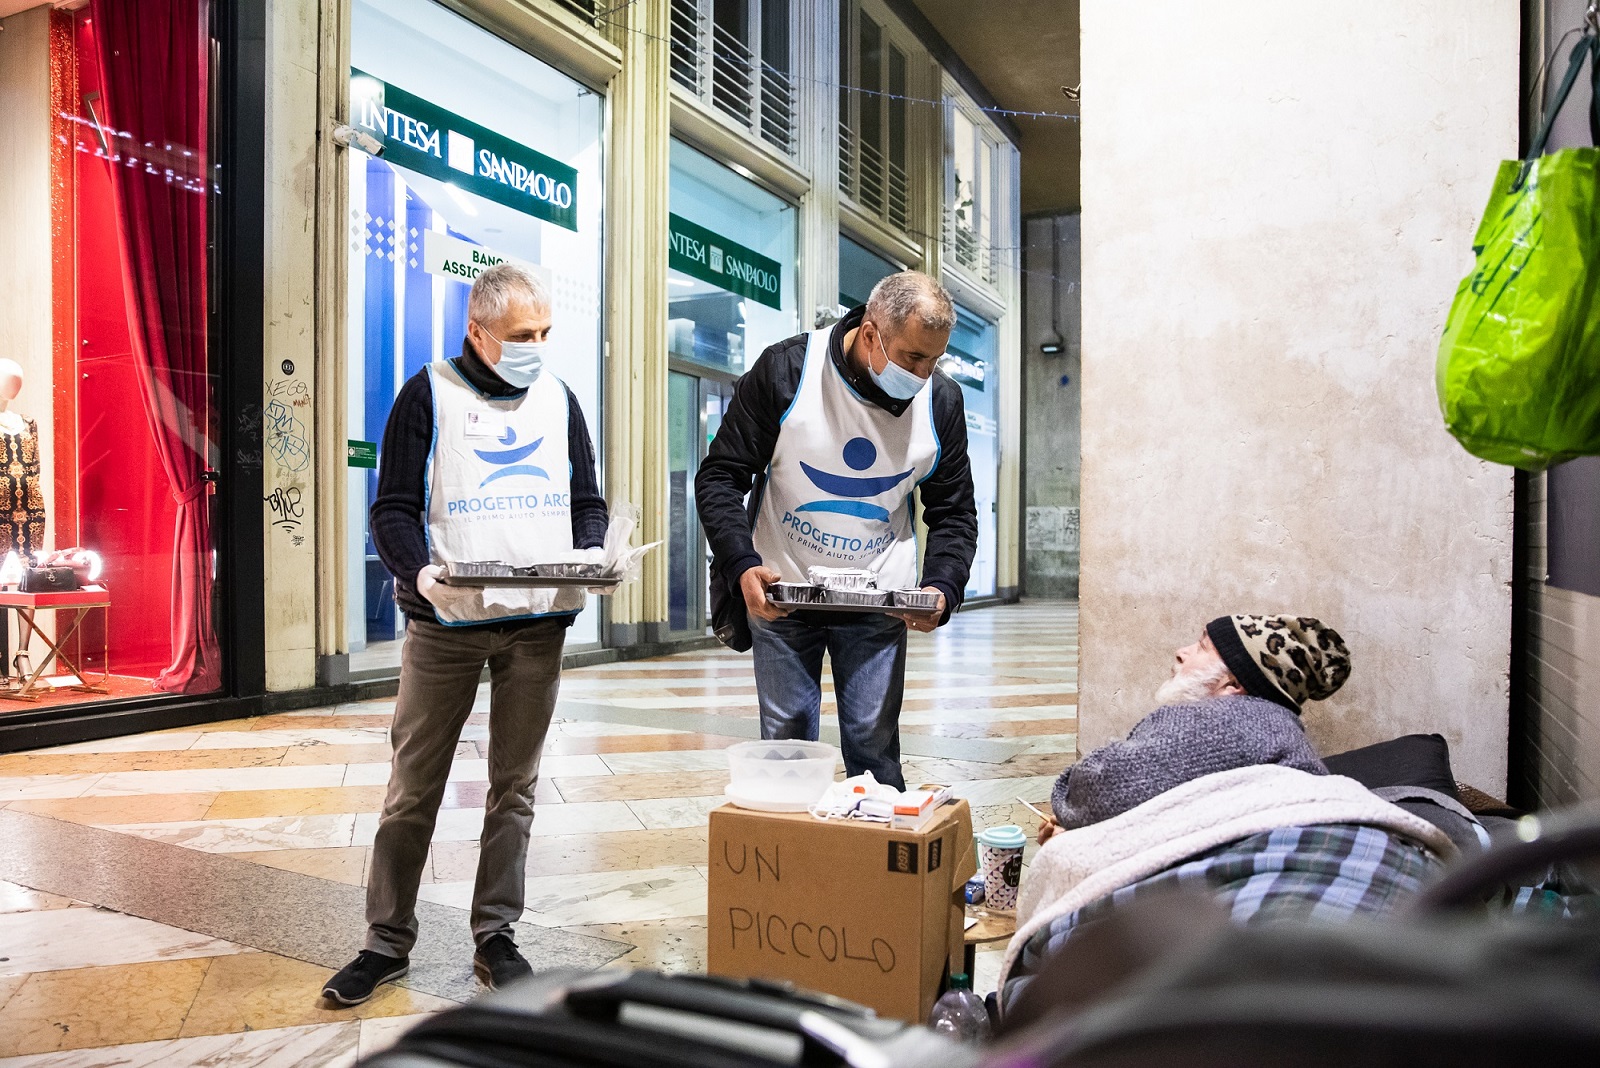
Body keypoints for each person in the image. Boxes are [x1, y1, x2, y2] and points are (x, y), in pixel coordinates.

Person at [322, 263, 608, 1005]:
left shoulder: (559, 398)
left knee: (514, 788)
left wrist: (594, 551)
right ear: (476, 331)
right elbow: (391, 510)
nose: (536, 347)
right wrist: (419, 575)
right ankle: (385, 942)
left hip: (537, 627)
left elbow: (586, 500)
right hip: (446, 625)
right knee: (413, 786)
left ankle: (496, 936)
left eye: (545, 333)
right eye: (521, 335)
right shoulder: (427, 393)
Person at [695, 271, 978, 790]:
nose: (922, 374)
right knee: (786, 742)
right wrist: (741, 563)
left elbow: (954, 511)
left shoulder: (941, 403)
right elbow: (721, 475)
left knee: (873, 742)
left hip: (879, 600)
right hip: (784, 589)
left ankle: (871, 865)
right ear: (870, 334)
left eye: (934, 360)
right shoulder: (788, 372)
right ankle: (789, 860)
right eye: (912, 357)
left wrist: (942, 586)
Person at [1038, 614, 1351, 842]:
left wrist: (1071, 818)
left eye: (1201, 647)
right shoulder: (1278, 725)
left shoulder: (1220, 722)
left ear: (1233, 684)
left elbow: (1095, 790)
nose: (1181, 652)